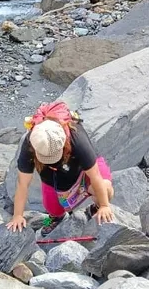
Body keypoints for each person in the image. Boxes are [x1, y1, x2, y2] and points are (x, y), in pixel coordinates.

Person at [7, 100, 114, 237]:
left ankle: (96, 208)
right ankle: (55, 217)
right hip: (53, 176)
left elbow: (95, 176)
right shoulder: (32, 142)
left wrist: (105, 205)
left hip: (83, 170)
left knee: (105, 189)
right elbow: (22, 184)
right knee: (52, 207)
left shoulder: (76, 138)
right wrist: (17, 216)